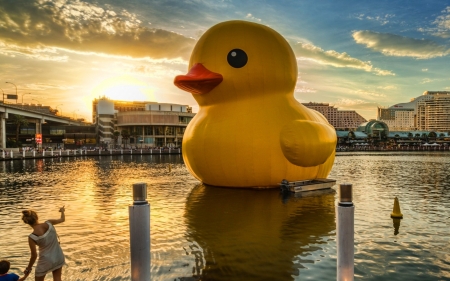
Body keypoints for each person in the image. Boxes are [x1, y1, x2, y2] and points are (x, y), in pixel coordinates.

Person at [21, 207, 65, 281]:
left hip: (45, 261)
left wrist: (28, 268)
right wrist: (62, 211)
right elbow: (62, 219)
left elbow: (34, 256)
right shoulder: (49, 223)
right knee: (57, 278)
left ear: (27, 222)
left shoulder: (32, 237)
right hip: (58, 256)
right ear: (37, 217)